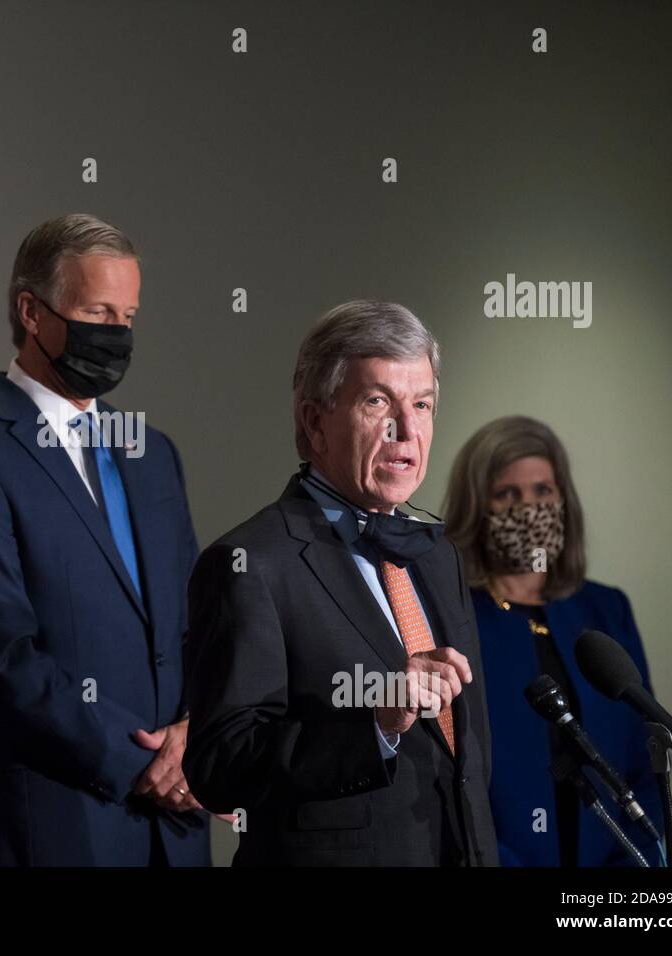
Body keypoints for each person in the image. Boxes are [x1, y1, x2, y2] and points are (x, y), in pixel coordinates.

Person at [0, 214, 210, 866]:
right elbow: (2, 661)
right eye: (98, 311)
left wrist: (196, 737)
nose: (116, 335)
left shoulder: (154, 456)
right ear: (32, 312)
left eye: (127, 317)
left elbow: (197, 625)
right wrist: (141, 765)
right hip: (60, 831)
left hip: (177, 837)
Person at [184, 300, 498, 865]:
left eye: (422, 404)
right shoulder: (251, 563)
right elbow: (219, 767)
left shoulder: (437, 556)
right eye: (378, 401)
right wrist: (374, 720)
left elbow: (463, 768)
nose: (406, 429)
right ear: (313, 421)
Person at [443, 415, 663, 866]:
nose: (530, 508)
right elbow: (447, 778)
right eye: (508, 494)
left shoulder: (605, 610)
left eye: (543, 491)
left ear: (563, 497)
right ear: (477, 507)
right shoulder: (451, 615)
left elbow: (643, 757)